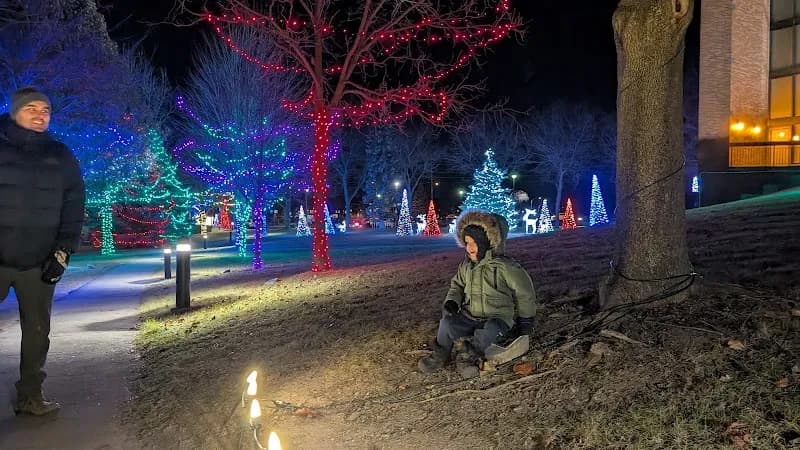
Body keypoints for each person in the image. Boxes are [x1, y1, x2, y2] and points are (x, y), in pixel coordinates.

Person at [0, 87, 85, 415]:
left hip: (38, 262)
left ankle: (30, 396)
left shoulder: (60, 155)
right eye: (31, 108)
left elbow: (74, 205)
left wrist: (63, 251)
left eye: (45, 110)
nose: (40, 115)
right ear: (14, 112)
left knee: (37, 333)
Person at [418, 210, 536, 378]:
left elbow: (525, 293)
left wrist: (526, 320)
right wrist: (452, 301)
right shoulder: (466, 266)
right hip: (469, 315)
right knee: (447, 324)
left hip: (497, 317)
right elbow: (457, 285)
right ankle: (440, 354)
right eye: (467, 242)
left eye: (474, 242)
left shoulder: (505, 267)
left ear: (487, 242)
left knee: (490, 330)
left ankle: (468, 357)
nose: (469, 247)